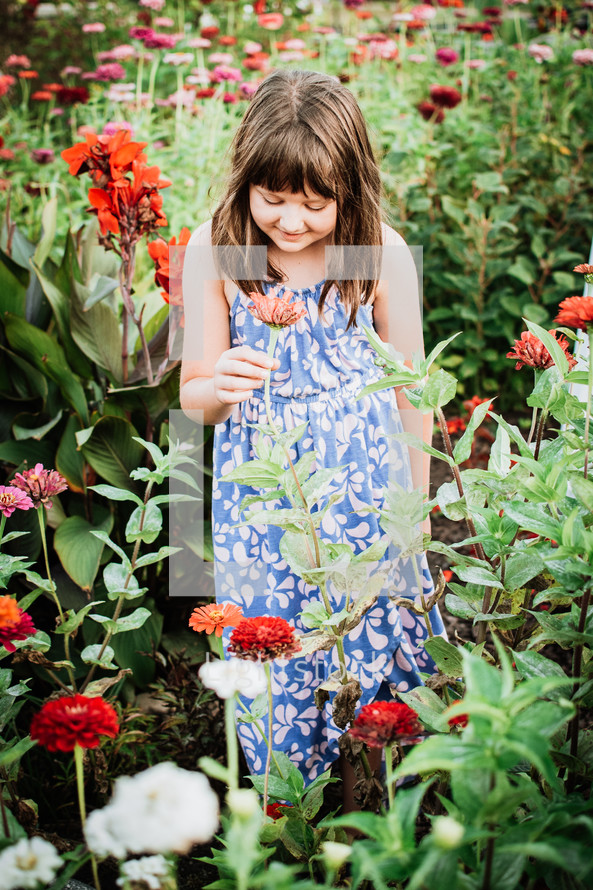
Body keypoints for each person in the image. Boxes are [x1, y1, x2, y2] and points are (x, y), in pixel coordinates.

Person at [180, 69, 444, 814]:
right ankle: (286, 798)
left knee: (364, 618)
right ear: (245, 182)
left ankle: (378, 788)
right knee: (275, 633)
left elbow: (410, 390)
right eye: (273, 199)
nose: (290, 222)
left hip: (361, 486)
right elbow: (191, 395)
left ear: (349, 189)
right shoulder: (218, 249)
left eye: (314, 203)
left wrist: (414, 513)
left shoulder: (377, 252)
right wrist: (217, 382)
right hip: (261, 493)